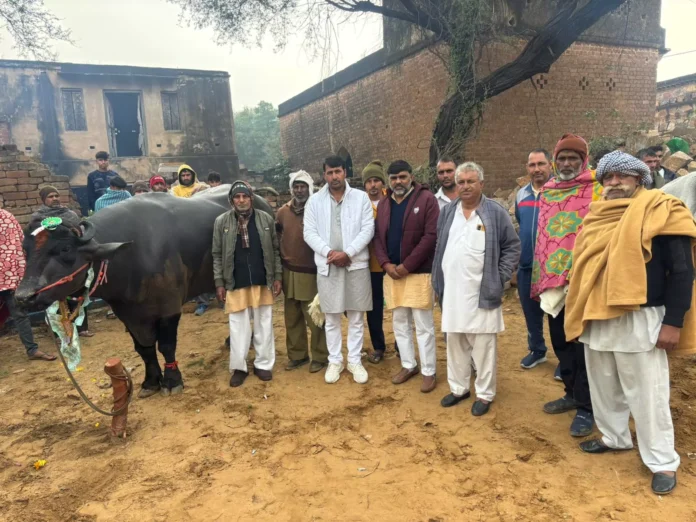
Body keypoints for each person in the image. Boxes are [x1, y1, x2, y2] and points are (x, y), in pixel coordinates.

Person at [565, 150, 696, 495]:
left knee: (648, 393)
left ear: (640, 179)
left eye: (622, 176)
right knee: (604, 386)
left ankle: (662, 460)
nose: (614, 182)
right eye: (608, 177)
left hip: (641, 317)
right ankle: (614, 437)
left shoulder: (661, 210)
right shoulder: (595, 217)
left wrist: (673, 322)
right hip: (597, 315)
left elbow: (682, 272)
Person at [433, 162, 520, 416]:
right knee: (455, 343)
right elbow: (440, 245)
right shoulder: (448, 211)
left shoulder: (494, 211)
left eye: (471, 181)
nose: (465, 186)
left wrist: (500, 276)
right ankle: (459, 388)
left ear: (481, 183)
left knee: (483, 347)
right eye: (461, 182)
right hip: (452, 292)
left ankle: (484, 393)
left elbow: (512, 247)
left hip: (482, 291)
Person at [531, 133, 602, 437]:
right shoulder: (547, 191)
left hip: (584, 280)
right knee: (559, 340)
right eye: (562, 158)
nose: (568, 163)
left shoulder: (598, 189)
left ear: (583, 160)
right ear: (555, 162)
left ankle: (588, 407)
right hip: (552, 279)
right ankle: (571, 393)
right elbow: (545, 236)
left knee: (583, 344)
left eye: (574, 158)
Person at [304, 155, 374, 385]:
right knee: (331, 316)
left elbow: (368, 229)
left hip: (355, 264)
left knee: (356, 315)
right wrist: (330, 253)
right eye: (330, 172)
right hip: (328, 265)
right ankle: (335, 361)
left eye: (338, 171)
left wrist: (348, 253)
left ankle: (354, 360)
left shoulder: (361, 198)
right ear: (324, 175)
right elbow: (309, 233)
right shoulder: (314, 201)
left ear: (345, 172)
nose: (334, 176)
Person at [374, 160, 439, 392]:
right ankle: (408, 364)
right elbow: (377, 238)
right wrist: (386, 264)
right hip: (392, 274)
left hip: (419, 273)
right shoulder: (383, 204)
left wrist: (407, 266)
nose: (398, 182)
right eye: (393, 178)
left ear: (411, 176)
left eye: (402, 177)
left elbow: (430, 236)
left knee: (423, 325)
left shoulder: (426, 199)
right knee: (400, 323)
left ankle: (429, 371)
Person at [212, 180, 282, 387]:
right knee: (238, 327)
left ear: (251, 199)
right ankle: (239, 367)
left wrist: (277, 276)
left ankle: (263, 364)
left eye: (245, 196)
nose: (241, 200)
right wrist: (219, 282)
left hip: (262, 279)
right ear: (231, 200)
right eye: (237, 197)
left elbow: (275, 250)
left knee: (264, 324)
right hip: (235, 281)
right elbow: (216, 254)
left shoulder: (265, 219)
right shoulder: (221, 222)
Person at [276, 170, 329, 373]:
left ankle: (320, 356)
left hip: (311, 272)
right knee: (292, 317)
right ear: (292, 189)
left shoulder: (317, 210)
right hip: (288, 271)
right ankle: (297, 355)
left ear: (310, 188)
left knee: (315, 316)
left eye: (303, 186)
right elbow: (277, 239)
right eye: (296, 186)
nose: (300, 190)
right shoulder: (282, 212)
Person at [29, 186, 94, 337]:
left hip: (70, 261)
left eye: (56, 195)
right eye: (50, 196)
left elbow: (79, 234)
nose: (55, 198)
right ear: (44, 200)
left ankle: (82, 327)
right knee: (53, 294)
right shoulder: (37, 218)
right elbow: (36, 239)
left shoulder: (70, 214)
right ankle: (58, 332)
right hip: (51, 263)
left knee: (77, 291)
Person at [0, 208, 57, 361]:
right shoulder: (7, 216)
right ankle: (32, 350)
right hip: (13, 275)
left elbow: (20, 245)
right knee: (20, 314)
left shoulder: (7, 217)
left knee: (20, 313)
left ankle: (32, 349)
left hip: (12, 276)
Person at [516, 150, 551, 369]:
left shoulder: (560, 192)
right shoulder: (521, 195)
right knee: (531, 313)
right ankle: (537, 350)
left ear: (551, 165)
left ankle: (565, 359)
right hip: (526, 265)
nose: (536, 169)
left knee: (558, 316)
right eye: (532, 165)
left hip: (553, 268)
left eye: (541, 164)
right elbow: (522, 223)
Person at [362, 160, 390, 364]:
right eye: (369, 181)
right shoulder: (360, 204)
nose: (373, 185)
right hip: (370, 264)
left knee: (400, 306)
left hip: (394, 262)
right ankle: (379, 346)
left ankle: (401, 345)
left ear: (383, 183)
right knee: (374, 307)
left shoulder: (393, 200)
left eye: (376, 180)